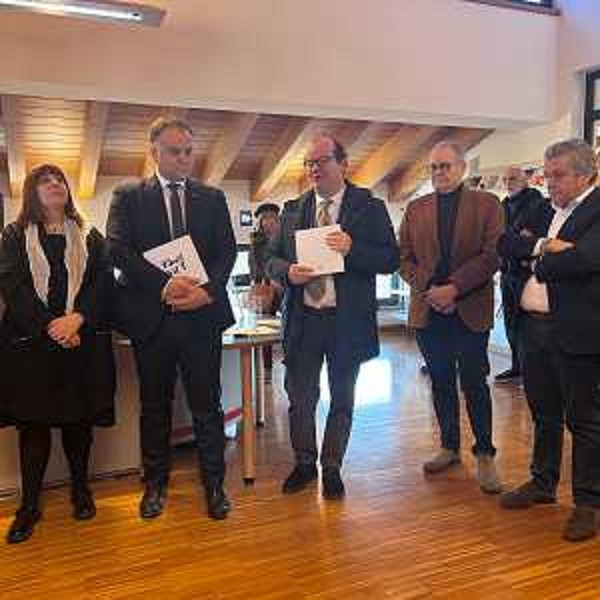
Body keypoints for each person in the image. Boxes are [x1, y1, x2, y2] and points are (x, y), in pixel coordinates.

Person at [106, 116, 236, 521]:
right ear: (154, 152)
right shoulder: (128, 196)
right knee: (154, 406)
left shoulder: (212, 198)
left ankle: (214, 484)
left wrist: (206, 292)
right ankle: (155, 484)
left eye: (188, 151)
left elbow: (226, 252)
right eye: (174, 151)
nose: (183, 158)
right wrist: (163, 285)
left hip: (201, 317)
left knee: (207, 406)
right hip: (153, 319)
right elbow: (116, 249)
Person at [265, 134, 399, 499]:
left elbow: (390, 259)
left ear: (343, 164)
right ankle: (304, 463)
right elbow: (270, 258)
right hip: (304, 320)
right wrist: (287, 272)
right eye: (309, 163)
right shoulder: (293, 209)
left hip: (346, 322)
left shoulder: (369, 207)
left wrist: (353, 249)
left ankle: (333, 465)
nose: (314, 168)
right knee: (300, 398)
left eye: (322, 161)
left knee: (343, 397)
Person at [0, 164, 115, 544]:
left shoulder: (90, 236)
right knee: (33, 427)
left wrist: (76, 320)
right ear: (32, 193)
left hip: (81, 345)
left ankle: (81, 490)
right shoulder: (13, 235)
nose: (54, 184)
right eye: (45, 180)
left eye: (59, 180)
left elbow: (102, 286)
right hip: (31, 348)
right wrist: (54, 327)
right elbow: (13, 288)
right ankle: (29, 505)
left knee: (78, 423)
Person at [499, 139, 600, 542]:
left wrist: (538, 259)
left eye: (558, 175)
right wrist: (543, 245)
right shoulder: (544, 209)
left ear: (586, 175)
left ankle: (588, 503)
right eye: (547, 174)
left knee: (585, 421)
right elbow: (506, 243)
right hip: (534, 328)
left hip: (578, 332)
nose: (550, 182)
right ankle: (543, 482)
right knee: (543, 412)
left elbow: (585, 259)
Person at [398, 141, 504, 494]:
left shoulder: (487, 204)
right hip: (429, 310)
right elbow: (403, 258)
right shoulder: (416, 209)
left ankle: (485, 453)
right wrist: (432, 288)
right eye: (433, 167)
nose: (439, 172)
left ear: (462, 167)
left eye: (445, 165)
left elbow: (493, 255)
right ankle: (449, 446)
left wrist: (454, 289)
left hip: (469, 309)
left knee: (474, 383)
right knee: (441, 381)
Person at [494, 167, 547, 384]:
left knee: (527, 325)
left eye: (513, 178)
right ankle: (517, 367)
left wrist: (516, 241)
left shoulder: (538, 203)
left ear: (525, 179)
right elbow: (500, 238)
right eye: (505, 179)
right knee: (510, 323)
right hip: (507, 272)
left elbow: (535, 240)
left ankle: (531, 372)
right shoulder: (503, 205)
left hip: (527, 274)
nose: (509, 182)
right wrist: (516, 239)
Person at [248, 202, 282, 373]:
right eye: (265, 218)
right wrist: (263, 281)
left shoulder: (285, 237)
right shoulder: (256, 241)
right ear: (260, 222)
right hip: (266, 287)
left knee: (291, 323)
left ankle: (290, 357)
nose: (269, 221)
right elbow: (254, 266)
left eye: (272, 217)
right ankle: (267, 365)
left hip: (285, 286)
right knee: (265, 327)